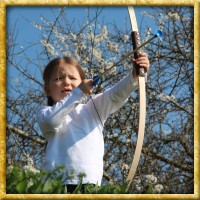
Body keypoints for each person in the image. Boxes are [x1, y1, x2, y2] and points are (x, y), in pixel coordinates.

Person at [37, 54, 149, 193]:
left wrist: (134, 75)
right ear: (47, 89)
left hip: (89, 184)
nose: (66, 82)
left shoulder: (93, 108)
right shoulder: (45, 112)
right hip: (55, 185)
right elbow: (51, 120)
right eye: (59, 78)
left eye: (72, 78)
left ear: (82, 82)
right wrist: (78, 92)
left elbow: (115, 95)